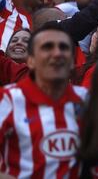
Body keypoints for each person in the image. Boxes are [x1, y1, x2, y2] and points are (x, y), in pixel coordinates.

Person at [0, 23, 89, 177]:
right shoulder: (7, 100)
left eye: (64, 48)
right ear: (31, 60)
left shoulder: (87, 100)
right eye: (47, 48)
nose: (57, 54)